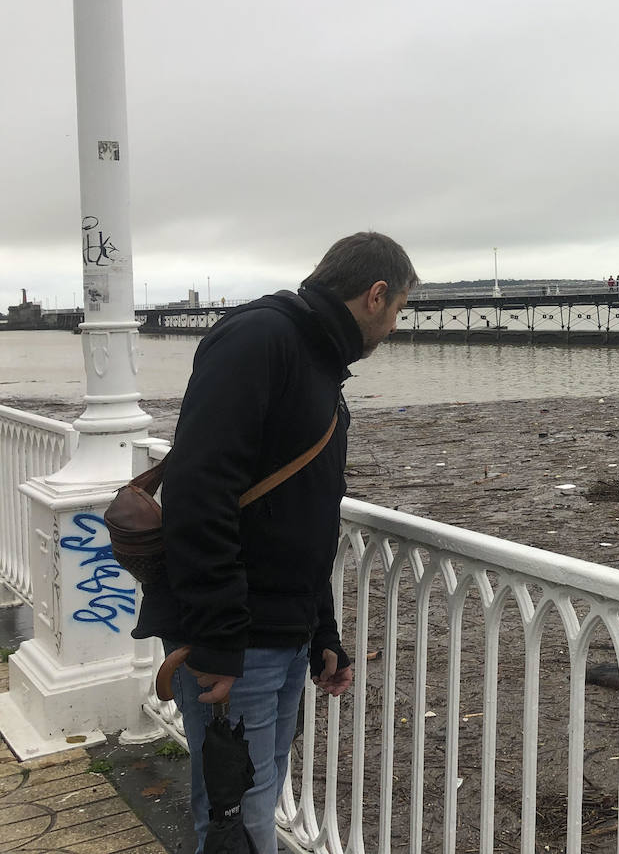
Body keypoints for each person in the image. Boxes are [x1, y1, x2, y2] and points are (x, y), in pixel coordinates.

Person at [133, 231, 417, 854]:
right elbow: (199, 492)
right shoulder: (261, 339)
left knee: (255, 796)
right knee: (238, 812)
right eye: (398, 309)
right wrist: (217, 639)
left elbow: (300, 515)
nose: (395, 326)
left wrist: (322, 634)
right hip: (237, 638)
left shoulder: (315, 357)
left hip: (276, 633)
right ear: (375, 295)